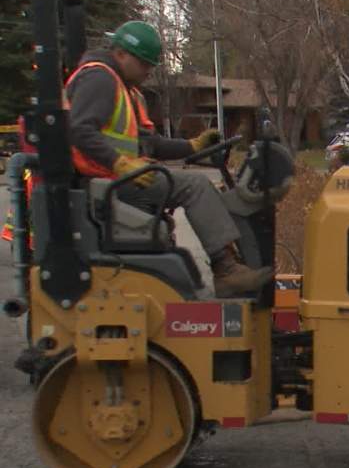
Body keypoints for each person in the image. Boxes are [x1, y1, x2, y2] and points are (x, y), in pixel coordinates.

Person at [66, 20, 272, 298]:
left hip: (117, 180)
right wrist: (119, 162)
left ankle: (230, 265)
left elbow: (149, 144)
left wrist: (191, 145)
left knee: (192, 184)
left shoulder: (121, 86)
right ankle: (226, 270)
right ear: (122, 54)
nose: (148, 71)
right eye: (144, 64)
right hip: (106, 184)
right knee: (195, 186)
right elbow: (79, 130)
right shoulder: (100, 78)